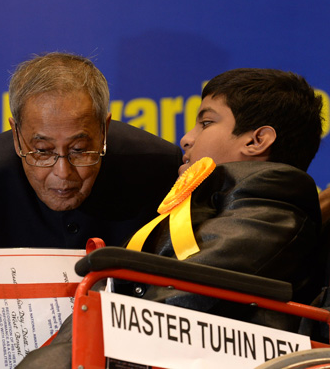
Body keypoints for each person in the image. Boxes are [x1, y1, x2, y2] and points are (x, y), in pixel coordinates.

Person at [17, 68, 326, 368]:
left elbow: (185, 296)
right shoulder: (208, 201)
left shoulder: (272, 198)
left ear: (256, 141)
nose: (186, 139)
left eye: (206, 123)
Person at [0, 52, 183, 368]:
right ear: (16, 134)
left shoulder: (157, 168)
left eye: (80, 151)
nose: (63, 173)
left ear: (104, 129)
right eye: (42, 152)